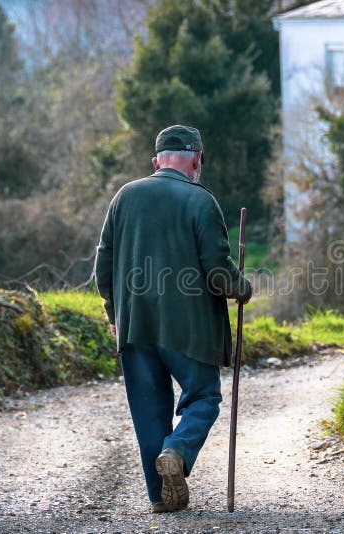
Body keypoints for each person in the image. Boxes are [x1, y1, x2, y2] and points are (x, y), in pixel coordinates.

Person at [93, 124, 252, 513]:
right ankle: (177, 451)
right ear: (197, 158)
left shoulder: (124, 196)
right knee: (204, 396)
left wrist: (114, 313)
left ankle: (160, 498)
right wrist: (241, 287)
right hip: (189, 329)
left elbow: (104, 265)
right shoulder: (200, 201)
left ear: (156, 161)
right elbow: (217, 271)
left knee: (149, 410)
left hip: (133, 326)